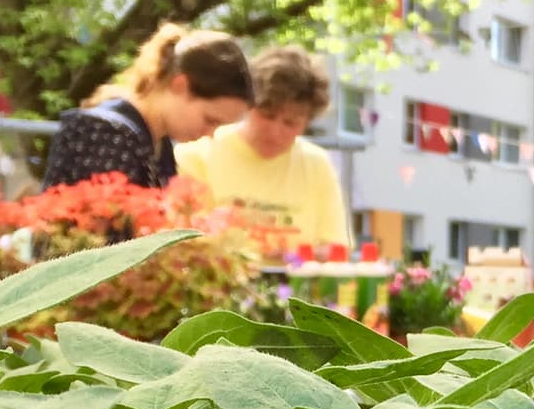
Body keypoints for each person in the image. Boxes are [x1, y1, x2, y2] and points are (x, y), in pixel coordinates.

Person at [176, 46, 351, 257]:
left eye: (290, 123)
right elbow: (184, 243)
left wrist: (292, 257)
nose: (275, 131)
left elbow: (337, 248)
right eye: (267, 115)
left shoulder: (317, 164)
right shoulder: (197, 155)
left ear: (307, 122)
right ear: (248, 106)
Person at [43, 24, 252, 192]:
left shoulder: (160, 144)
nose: (210, 134)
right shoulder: (104, 134)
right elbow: (99, 237)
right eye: (210, 120)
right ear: (180, 85)